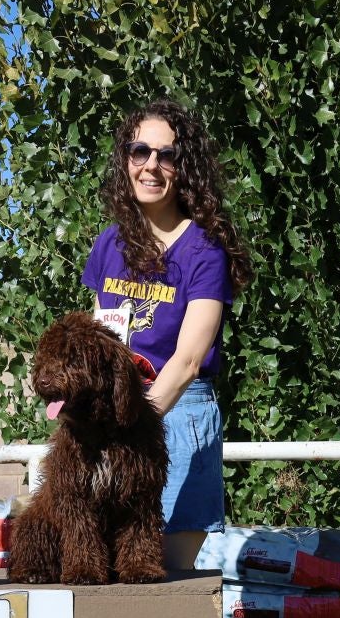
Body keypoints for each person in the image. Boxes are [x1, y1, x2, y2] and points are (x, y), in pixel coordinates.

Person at [81, 99, 253, 569]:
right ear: (126, 160)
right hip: (115, 412)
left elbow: (189, 359)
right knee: (109, 565)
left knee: (164, 577)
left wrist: (136, 421)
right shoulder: (108, 244)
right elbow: (100, 342)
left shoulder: (205, 250)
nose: (151, 165)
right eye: (140, 152)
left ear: (184, 166)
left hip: (176, 414)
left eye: (167, 155)